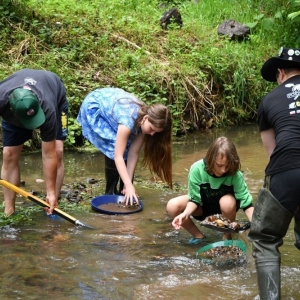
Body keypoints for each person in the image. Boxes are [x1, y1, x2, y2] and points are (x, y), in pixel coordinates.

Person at [248, 47, 300, 300]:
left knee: (265, 238)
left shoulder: (269, 100)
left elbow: (273, 153)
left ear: (280, 72)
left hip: (286, 169)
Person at [76, 87, 173, 205]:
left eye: (155, 132)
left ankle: (124, 191)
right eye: (152, 129)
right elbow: (118, 156)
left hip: (113, 107)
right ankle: (110, 191)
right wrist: (128, 183)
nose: (152, 134)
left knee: (127, 148)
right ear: (146, 118)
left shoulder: (146, 123)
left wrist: (129, 185)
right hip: (95, 106)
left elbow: (133, 153)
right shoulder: (127, 121)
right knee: (114, 146)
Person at [0, 69, 68, 216]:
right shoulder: (1, 97)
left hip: (52, 96)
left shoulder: (48, 106)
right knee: (9, 154)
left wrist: (50, 191)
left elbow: (48, 155)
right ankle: (9, 210)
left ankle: (52, 204)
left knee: (57, 150)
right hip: (13, 114)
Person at [167, 136, 253, 244]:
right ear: (210, 159)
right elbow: (194, 200)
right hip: (202, 207)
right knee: (172, 206)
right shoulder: (197, 169)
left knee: (227, 202)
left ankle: (227, 236)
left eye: (227, 166)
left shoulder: (235, 174)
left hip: (225, 210)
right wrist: (185, 214)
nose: (223, 170)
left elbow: (247, 204)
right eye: (219, 165)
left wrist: (257, 225)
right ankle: (199, 236)